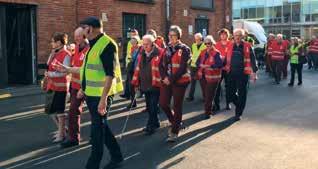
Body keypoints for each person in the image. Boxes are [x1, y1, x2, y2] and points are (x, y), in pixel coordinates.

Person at [79, 16, 124, 169]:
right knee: (101, 127)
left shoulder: (107, 44)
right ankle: (117, 156)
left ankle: (92, 165)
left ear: (90, 28)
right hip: (92, 94)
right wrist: (82, 88)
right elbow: (88, 69)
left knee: (97, 132)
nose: (82, 31)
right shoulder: (92, 44)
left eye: (83, 27)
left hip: (101, 96)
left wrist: (103, 100)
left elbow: (109, 75)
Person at [55, 27, 90, 148]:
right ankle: (73, 138)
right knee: (73, 112)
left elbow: (85, 70)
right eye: (75, 37)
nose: (76, 39)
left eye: (78, 37)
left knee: (95, 113)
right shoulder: (75, 48)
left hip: (86, 86)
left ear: (85, 36)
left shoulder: (89, 50)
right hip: (75, 86)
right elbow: (72, 65)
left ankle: (96, 137)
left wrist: (82, 88)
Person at [159, 25, 191, 142]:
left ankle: (174, 132)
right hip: (167, 80)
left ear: (178, 36)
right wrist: (164, 77)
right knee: (163, 103)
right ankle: (175, 122)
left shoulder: (185, 49)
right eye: (169, 35)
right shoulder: (166, 48)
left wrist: (170, 79)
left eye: (173, 35)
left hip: (180, 82)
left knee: (177, 106)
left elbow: (182, 68)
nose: (171, 37)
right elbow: (160, 65)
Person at [131, 34, 164, 135]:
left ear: (153, 44)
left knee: (153, 106)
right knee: (149, 106)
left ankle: (150, 126)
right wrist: (136, 83)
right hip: (145, 85)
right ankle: (156, 122)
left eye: (147, 44)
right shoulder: (142, 54)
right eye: (143, 44)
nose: (145, 46)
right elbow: (138, 68)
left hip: (155, 84)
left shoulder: (160, 53)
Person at [225, 29, 257, 121]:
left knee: (242, 94)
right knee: (229, 94)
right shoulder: (230, 45)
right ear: (233, 36)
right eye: (235, 35)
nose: (237, 37)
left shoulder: (247, 46)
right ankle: (239, 105)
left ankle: (238, 113)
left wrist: (254, 72)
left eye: (239, 35)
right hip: (231, 73)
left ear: (243, 36)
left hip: (243, 73)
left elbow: (253, 59)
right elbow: (226, 58)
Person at [45, 32, 71, 143]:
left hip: (61, 88)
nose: (51, 43)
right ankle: (62, 130)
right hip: (52, 86)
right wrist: (51, 54)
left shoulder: (66, 54)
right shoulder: (56, 53)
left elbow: (64, 72)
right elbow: (48, 65)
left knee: (60, 112)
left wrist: (50, 75)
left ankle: (62, 134)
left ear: (59, 42)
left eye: (53, 42)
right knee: (50, 111)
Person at [196, 35, 223, 119]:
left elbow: (219, 64)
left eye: (209, 43)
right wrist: (200, 65)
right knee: (205, 95)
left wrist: (207, 66)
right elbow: (197, 62)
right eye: (206, 43)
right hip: (203, 76)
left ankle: (207, 113)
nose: (208, 45)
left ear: (212, 43)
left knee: (209, 96)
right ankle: (209, 109)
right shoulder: (203, 52)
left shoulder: (216, 53)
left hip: (213, 78)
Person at [214, 28, 232, 111]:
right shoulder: (216, 44)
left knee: (228, 86)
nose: (223, 35)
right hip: (219, 68)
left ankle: (228, 103)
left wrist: (228, 65)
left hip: (228, 68)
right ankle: (216, 104)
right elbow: (215, 56)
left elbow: (231, 56)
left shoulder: (231, 44)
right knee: (217, 86)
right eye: (221, 34)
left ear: (227, 35)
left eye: (224, 34)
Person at [186, 33, 206, 102]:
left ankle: (205, 97)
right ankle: (191, 97)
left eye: (198, 39)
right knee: (192, 82)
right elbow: (192, 54)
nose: (197, 40)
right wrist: (189, 61)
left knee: (202, 82)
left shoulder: (204, 46)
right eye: (196, 39)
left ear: (201, 39)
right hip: (193, 66)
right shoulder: (193, 45)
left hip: (200, 66)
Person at [120, 29, 140, 99]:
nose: (132, 35)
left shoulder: (138, 42)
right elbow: (128, 53)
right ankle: (127, 94)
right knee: (128, 80)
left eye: (133, 34)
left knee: (132, 81)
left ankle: (131, 96)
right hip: (129, 63)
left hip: (133, 64)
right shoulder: (130, 42)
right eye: (131, 34)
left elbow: (135, 54)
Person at [126, 36, 142, 109]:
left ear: (137, 42)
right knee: (131, 87)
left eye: (133, 42)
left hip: (139, 71)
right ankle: (133, 102)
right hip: (132, 71)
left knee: (142, 87)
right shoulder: (132, 49)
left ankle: (151, 106)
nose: (132, 44)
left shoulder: (141, 49)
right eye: (131, 42)